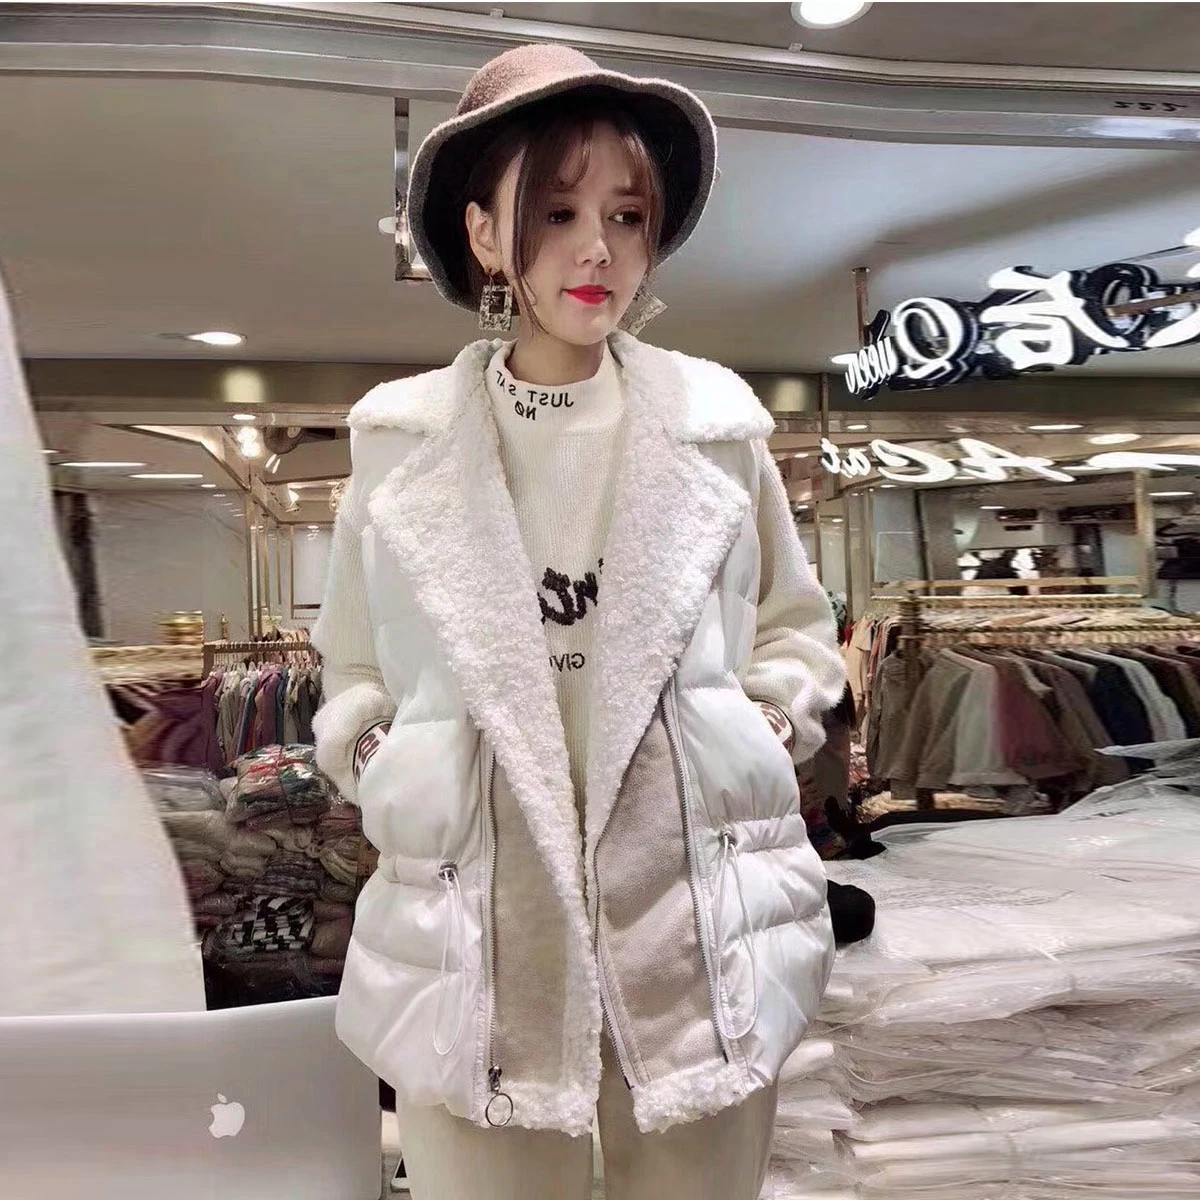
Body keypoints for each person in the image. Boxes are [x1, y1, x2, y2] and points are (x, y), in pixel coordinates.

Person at [312, 43, 845, 1200]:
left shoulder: (716, 430)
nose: (597, 249)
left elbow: (798, 630)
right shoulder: (401, 446)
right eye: (556, 212)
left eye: (626, 214)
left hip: (694, 931)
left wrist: (755, 730)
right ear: (483, 234)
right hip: (476, 942)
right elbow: (350, 665)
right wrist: (386, 759)